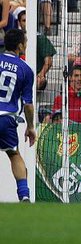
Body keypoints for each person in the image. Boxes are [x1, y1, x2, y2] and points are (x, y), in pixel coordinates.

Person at [0, 29, 35, 202]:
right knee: (14, 154)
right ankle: (24, 196)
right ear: (20, 45)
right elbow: (28, 104)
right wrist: (30, 127)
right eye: (26, 41)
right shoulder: (25, 70)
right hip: (6, 118)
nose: (26, 44)